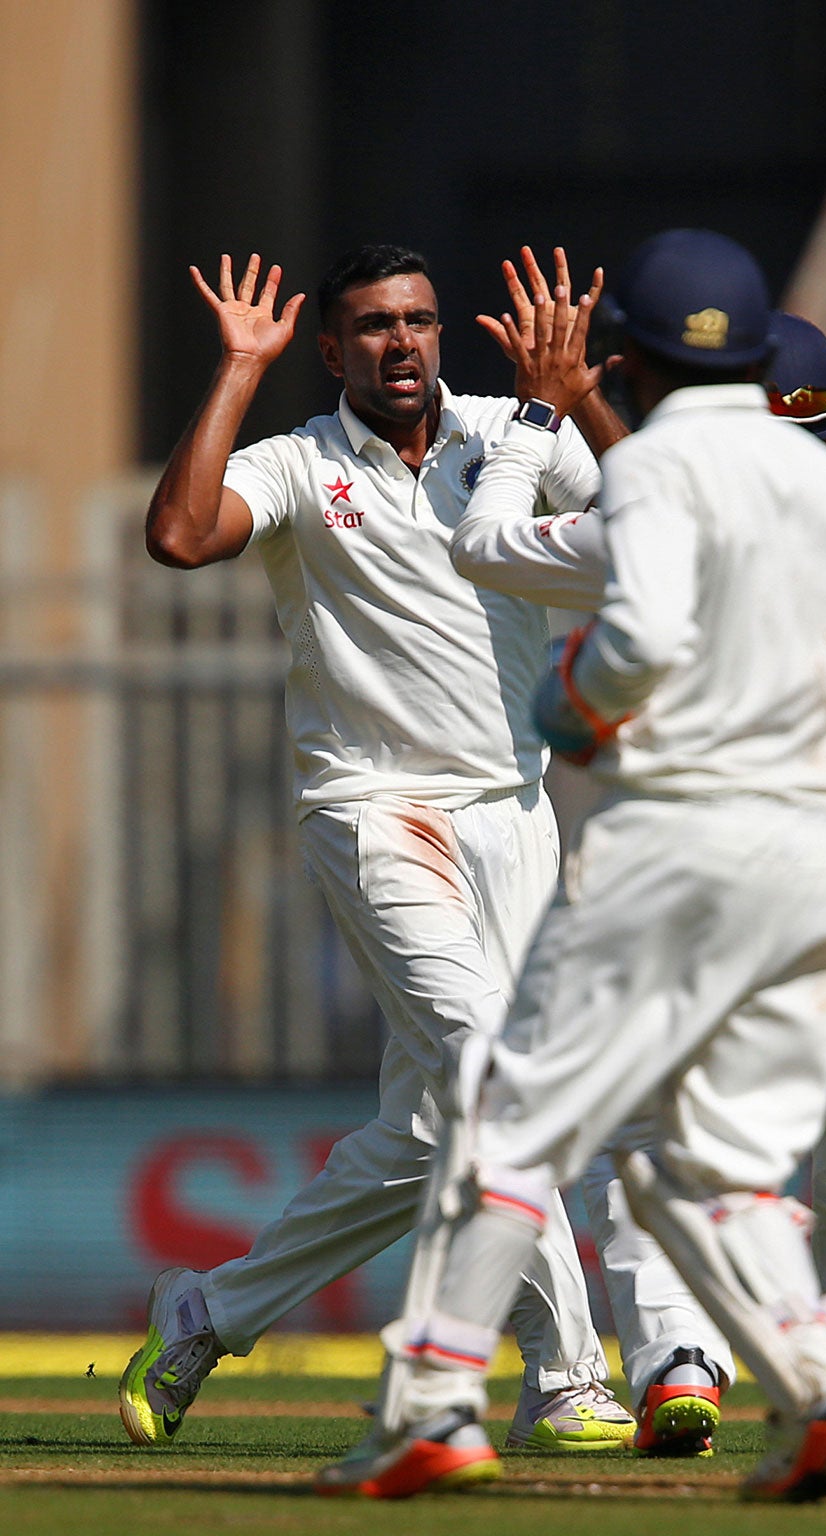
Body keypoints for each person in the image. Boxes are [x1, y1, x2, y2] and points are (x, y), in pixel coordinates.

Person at [314, 228, 826, 1503]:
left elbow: (613, 630)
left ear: (628, 356)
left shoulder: (656, 468)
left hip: (676, 846)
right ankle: (823, 1385)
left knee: (508, 1116)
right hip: (816, 868)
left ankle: (429, 1404)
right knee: (709, 1160)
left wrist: (572, 704)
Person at [449, 266, 826, 1453]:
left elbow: (490, 543)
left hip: (676, 870)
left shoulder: (654, 510)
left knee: (632, 1126)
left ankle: (661, 1364)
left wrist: (541, 415)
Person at [121, 246, 634, 1454]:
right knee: (496, 1080)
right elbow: (183, 537)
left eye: (417, 322)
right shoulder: (300, 464)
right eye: (371, 328)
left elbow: (665, 514)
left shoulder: (514, 430)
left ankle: (211, 1307)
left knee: (424, 1135)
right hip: (372, 810)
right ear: (330, 348)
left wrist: (579, 393)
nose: (400, 345)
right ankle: (565, 1373)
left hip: (514, 812)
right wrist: (237, 371)